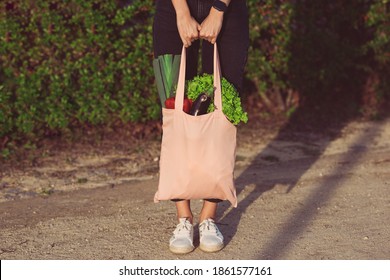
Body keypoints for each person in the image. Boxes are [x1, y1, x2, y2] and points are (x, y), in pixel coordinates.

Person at [153, 0, 249, 254]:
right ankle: (184, 217)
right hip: (172, 7)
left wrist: (218, 10)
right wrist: (182, 11)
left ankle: (208, 216)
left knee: (223, 107)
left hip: (227, 10)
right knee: (173, 106)